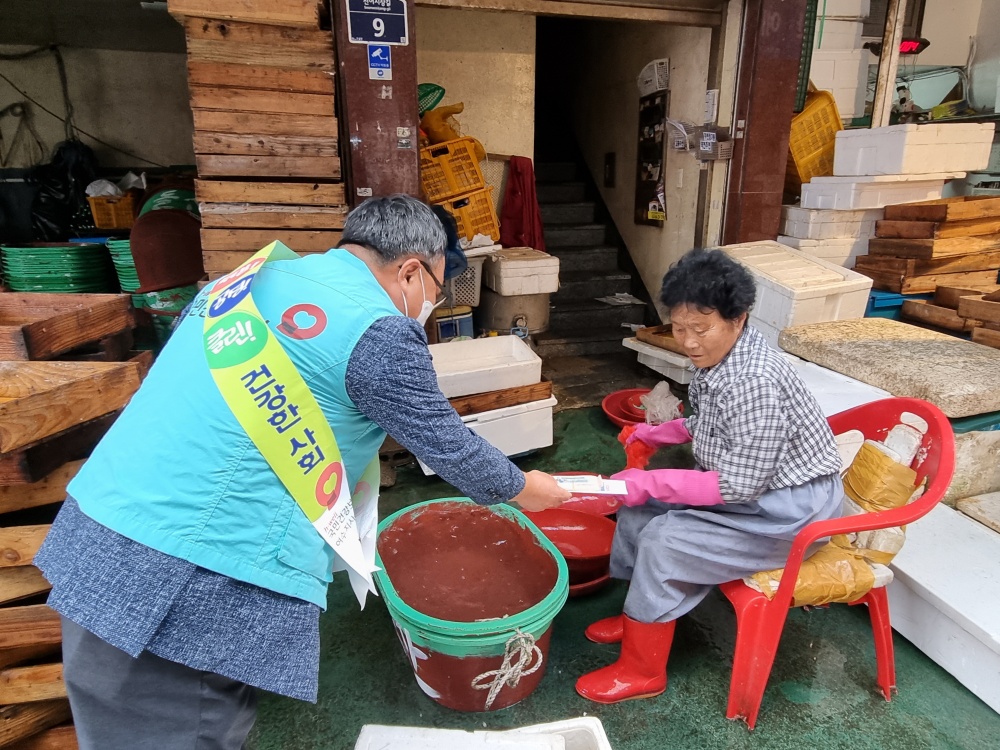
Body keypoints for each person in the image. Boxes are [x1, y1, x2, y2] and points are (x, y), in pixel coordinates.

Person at [35, 195, 570, 749]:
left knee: (113, 721)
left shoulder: (248, 279)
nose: (430, 304)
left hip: (101, 530)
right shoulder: (378, 329)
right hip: (189, 570)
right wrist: (529, 487)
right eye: (436, 288)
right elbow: (450, 447)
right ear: (411, 269)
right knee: (182, 729)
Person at [575, 248, 843, 705]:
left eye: (701, 329)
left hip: (789, 514)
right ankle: (638, 617)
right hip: (756, 492)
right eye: (679, 329)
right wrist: (658, 433)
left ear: (738, 320)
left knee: (665, 539)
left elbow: (738, 485)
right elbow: (712, 422)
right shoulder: (718, 361)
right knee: (639, 511)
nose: (689, 342)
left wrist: (648, 481)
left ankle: (643, 670)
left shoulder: (755, 379)